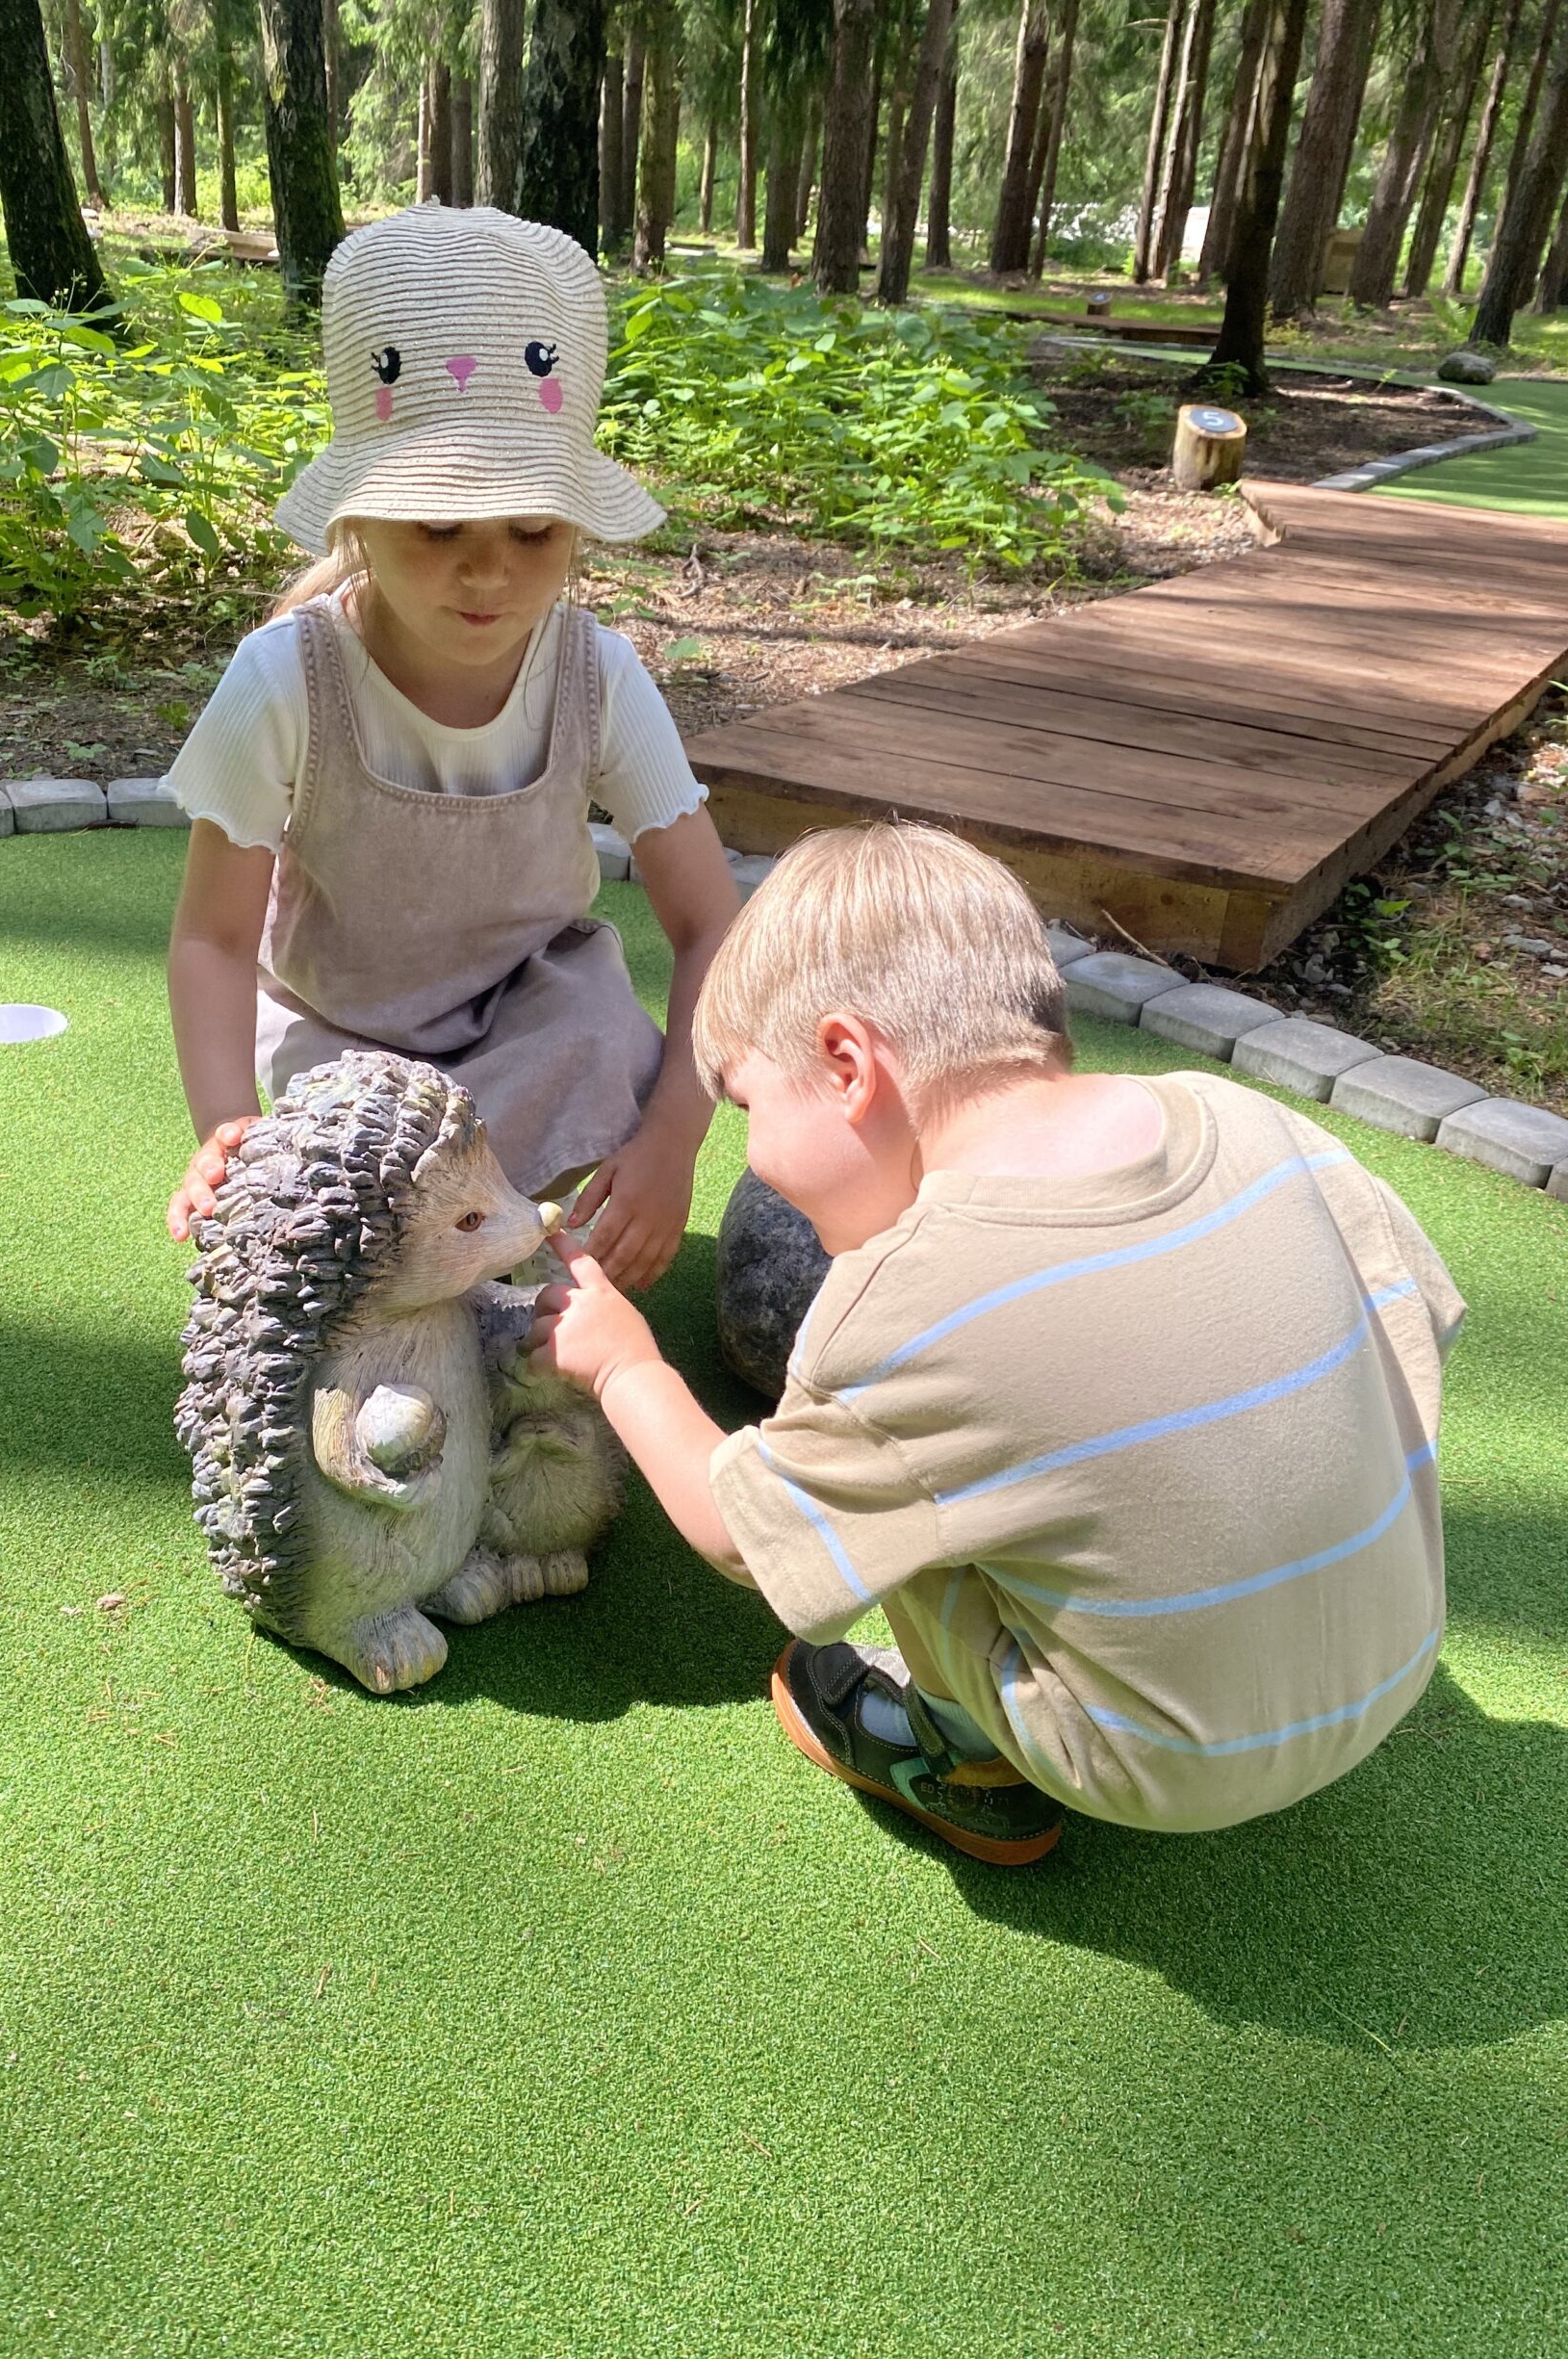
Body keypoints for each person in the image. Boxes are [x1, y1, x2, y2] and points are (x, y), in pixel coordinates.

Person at [529, 822, 1463, 1865]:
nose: (751, 1149)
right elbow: (1416, 1318)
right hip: (1398, 1655)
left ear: (846, 1064)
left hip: (1164, 1763)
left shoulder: (909, 1306)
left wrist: (624, 1362)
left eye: (748, 1102)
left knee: (906, 1499)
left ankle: (958, 1754)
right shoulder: (1248, 1119)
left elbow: (740, 1536)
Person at [162, 203, 738, 1292]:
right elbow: (214, 940)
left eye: (534, 529)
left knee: (601, 1032)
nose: (488, 573)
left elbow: (712, 924)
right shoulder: (284, 680)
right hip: (344, 1039)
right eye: (437, 525)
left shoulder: (598, 675)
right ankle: (445, 1235)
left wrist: (672, 1143)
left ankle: (479, 1233)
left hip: (534, 1020)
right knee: (358, 1154)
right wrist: (228, 1132)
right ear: (359, 518)